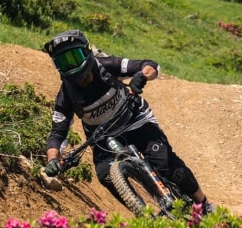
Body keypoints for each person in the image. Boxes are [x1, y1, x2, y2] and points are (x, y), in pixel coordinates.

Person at [41, 29, 216, 215]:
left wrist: (141, 76)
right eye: (63, 61)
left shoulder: (107, 66)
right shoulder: (66, 95)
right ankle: (145, 216)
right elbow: (57, 134)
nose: (71, 66)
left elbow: (150, 65)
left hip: (136, 121)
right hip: (103, 139)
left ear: (87, 52)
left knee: (167, 164)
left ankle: (204, 205)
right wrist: (53, 159)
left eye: (74, 57)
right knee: (104, 176)